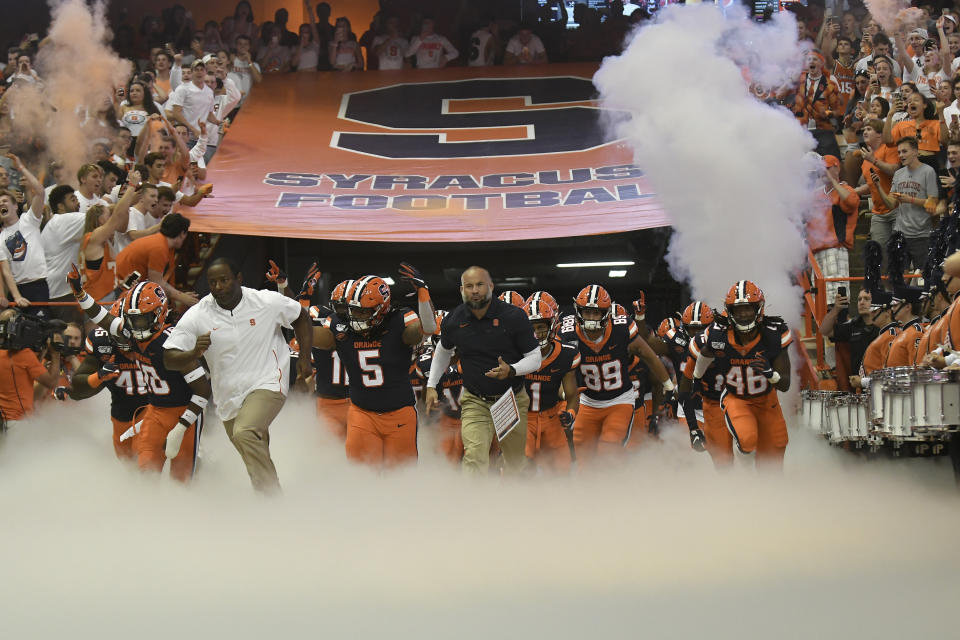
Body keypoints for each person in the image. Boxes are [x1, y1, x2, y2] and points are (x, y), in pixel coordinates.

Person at [163, 258, 314, 493]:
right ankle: (270, 504)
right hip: (228, 396)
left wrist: (304, 358)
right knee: (253, 447)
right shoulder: (199, 313)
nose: (218, 287)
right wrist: (193, 352)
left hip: (268, 381)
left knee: (244, 432)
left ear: (239, 279)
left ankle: (274, 504)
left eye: (224, 280)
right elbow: (169, 358)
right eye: (212, 283)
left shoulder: (265, 301)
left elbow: (301, 317)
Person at [312, 266, 436, 468]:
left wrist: (423, 293)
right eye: (354, 310)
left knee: (400, 479)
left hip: (399, 414)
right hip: (362, 413)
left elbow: (429, 328)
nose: (356, 316)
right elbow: (307, 335)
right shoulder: (340, 326)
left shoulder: (399, 321)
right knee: (362, 477)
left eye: (362, 311)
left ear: (382, 309)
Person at [424, 266, 539, 476]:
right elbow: (443, 350)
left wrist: (512, 370)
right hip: (475, 400)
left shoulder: (513, 316)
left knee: (514, 462)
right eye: (469, 286)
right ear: (461, 290)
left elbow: (535, 358)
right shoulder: (455, 319)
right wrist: (432, 385)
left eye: (479, 285)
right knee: (475, 458)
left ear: (491, 287)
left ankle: (517, 505)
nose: (474, 290)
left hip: (510, 397)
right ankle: (475, 507)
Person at [557, 284, 671, 466]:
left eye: (596, 313)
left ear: (607, 313)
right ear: (578, 311)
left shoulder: (621, 329)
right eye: (587, 312)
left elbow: (648, 355)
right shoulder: (567, 333)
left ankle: (613, 492)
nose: (591, 318)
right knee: (582, 455)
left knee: (608, 451)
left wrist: (668, 384)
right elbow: (561, 372)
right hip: (588, 401)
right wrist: (565, 394)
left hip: (619, 401)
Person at [688, 281, 792, 469]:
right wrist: (696, 378)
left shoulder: (774, 333)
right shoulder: (718, 334)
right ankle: (745, 467)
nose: (743, 314)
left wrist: (770, 374)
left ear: (758, 309)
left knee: (774, 459)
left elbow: (785, 385)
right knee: (747, 438)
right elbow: (705, 353)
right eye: (738, 309)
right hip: (737, 399)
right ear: (730, 311)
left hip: (768, 401)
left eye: (748, 309)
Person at [523, 297, 579, 474]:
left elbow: (571, 396)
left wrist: (570, 413)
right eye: (531, 329)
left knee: (562, 470)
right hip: (523, 417)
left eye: (541, 327)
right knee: (519, 468)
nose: (537, 333)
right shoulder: (513, 352)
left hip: (552, 415)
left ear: (552, 326)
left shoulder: (566, 353)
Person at [877, 137, 942, 268]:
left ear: (915, 152)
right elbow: (890, 204)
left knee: (924, 276)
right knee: (899, 275)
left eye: (904, 151)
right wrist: (878, 187)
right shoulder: (898, 174)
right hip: (900, 233)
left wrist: (910, 200)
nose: (901, 155)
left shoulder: (928, 171)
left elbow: (933, 203)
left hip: (922, 234)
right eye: (899, 152)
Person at [808, 155, 860, 305]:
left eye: (827, 168)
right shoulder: (815, 193)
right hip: (816, 250)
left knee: (836, 294)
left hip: (835, 249)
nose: (823, 172)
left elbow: (851, 202)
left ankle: (840, 323)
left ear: (837, 167)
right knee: (819, 297)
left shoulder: (845, 189)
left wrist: (832, 181)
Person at [115, 212, 195, 309]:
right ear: (182, 234)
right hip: (120, 290)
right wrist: (183, 297)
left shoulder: (158, 241)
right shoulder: (159, 248)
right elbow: (157, 284)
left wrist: (181, 295)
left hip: (122, 284)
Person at [0, 308, 62, 429]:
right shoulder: (23, 355)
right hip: (19, 421)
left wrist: (41, 355)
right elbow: (52, 382)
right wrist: (55, 354)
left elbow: (22, 373)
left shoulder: (21, 355)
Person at [0, 154, 44, 310]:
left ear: (15, 206)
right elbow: (5, 271)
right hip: (19, 288)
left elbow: (40, 192)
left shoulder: (29, 220)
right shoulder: (0, 238)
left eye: (4, 201)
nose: (1, 205)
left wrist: (21, 168)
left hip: (40, 283)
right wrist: (17, 296)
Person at [822, 288, 878, 381]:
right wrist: (836, 309)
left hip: (879, 382)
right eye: (859, 299)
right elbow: (825, 330)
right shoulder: (853, 325)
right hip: (858, 386)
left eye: (866, 299)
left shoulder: (884, 326)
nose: (862, 302)